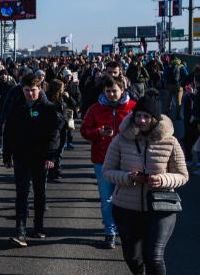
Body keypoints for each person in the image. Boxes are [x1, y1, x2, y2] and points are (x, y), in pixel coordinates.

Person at [102, 90, 188, 275]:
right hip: (126, 206)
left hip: (161, 207)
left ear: (155, 119)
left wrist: (163, 179)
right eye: (138, 115)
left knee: (154, 256)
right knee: (132, 257)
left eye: (146, 117)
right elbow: (107, 171)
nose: (141, 120)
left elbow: (182, 174)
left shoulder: (170, 141)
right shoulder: (120, 139)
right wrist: (128, 177)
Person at [2, 72, 61, 247]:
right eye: (27, 90)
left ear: (40, 89)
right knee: (21, 194)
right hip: (21, 156)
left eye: (33, 90)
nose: (30, 94)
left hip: (41, 157)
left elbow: (54, 135)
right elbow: (9, 132)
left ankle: (39, 226)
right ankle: (20, 230)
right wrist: (7, 154)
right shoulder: (16, 107)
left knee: (39, 193)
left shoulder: (48, 108)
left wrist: (51, 156)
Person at [80, 75, 136, 248]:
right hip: (102, 160)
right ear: (103, 91)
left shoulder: (133, 108)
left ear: (122, 90)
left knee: (128, 198)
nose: (112, 94)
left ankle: (126, 229)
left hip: (128, 159)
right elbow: (84, 130)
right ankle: (109, 232)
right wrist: (98, 133)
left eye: (115, 91)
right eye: (108, 91)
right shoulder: (95, 109)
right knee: (107, 199)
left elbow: (144, 129)